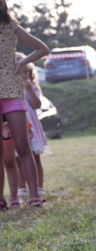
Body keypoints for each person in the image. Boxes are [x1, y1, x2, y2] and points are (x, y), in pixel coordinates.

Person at [0, 0, 48, 210]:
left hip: (12, 90)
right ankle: (2, 200)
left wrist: (22, 63)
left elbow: (42, 48)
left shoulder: (11, 26)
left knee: (23, 146)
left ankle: (34, 197)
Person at [19, 62, 49, 199]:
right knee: (17, 158)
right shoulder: (10, 88)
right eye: (21, 71)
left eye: (26, 71)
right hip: (18, 124)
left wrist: (30, 90)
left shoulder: (31, 87)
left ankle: (39, 186)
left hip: (31, 124)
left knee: (35, 157)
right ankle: (22, 187)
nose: (24, 75)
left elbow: (37, 105)